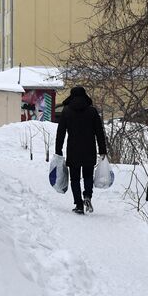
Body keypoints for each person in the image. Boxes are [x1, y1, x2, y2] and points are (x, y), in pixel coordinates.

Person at [55, 86, 107, 215]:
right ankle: (88, 196)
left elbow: (60, 133)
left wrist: (58, 150)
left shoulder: (66, 111)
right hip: (89, 148)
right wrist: (102, 150)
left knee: (75, 178)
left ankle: (79, 204)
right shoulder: (92, 111)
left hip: (73, 149)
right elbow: (99, 133)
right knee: (88, 175)